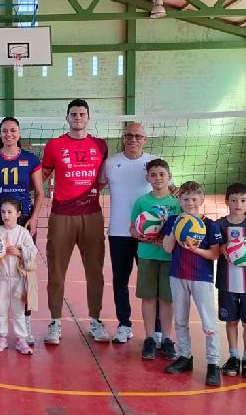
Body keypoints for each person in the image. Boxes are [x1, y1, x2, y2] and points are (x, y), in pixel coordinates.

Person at [100, 123, 176, 344]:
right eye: (129, 136)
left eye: (138, 136)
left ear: (145, 138)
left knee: (154, 282)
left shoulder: (153, 164)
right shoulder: (111, 163)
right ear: (123, 138)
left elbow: (173, 191)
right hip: (119, 232)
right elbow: (97, 186)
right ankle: (124, 324)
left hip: (153, 236)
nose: (133, 139)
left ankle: (158, 331)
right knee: (120, 280)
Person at [41, 99, 109, 345]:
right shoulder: (54, 145)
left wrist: (88, 194)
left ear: (88, 118)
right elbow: (43, 175)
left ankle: (96, 320)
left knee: (95, 271)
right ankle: (55, 322)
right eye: (73, 114)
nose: (78, 117)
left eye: (82, 114)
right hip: (61, 215)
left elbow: (102, 179)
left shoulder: (101, 145)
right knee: (56, 271)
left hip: (92, 214)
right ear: (67, 117)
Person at [0, 117, 43, 345]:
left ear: (19, 133)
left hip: (23, 222)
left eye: (13, 130)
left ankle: (25, 324)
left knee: (25, 273)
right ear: (0, 134)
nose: (9, 134)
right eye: (5, 131)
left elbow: (40, 193)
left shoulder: (31, 159)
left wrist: (33, 217)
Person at [162, 181, 223, 386]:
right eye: (186, 199)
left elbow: (214, 254)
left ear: (201, 200)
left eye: (194, 199)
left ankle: (213, 364)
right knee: (180, 319)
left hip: (201, 278)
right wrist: (176, 229)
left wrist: (196, 249)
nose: (190, 203)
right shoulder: (173, 220)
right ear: (179, 200)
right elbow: (168, 249)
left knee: (208, 323)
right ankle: (184, 357)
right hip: (177, 275)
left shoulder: (209, 224)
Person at [129, 159, 180, 360]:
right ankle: (150, 338)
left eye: (162, 174)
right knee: (149, 297)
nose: (158, 178)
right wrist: (139, 235)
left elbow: (184, 227)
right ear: (147, 178)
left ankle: (167, 338)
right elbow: (132, 228)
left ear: (169, 176)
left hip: (169, 257)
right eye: (153, 175)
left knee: (167, 299)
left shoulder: (177, 202)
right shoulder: (142, 202)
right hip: (147, 255)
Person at [0, 198, 39, 355]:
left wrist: (20, 251)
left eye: (9, 212)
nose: (6, 215)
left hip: (19, 278)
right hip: (1, 278)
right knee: (1, 308)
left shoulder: (23, 233)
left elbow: (33, 252)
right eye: (3, 212)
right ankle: (2, 336)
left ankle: (21, 339)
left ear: (18, 214)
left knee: (19, 310)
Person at [216, 183, 246, 378]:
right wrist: (222, 249)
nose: (238, 204)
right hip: (227, 282)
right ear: (227, 201)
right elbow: (214, 249)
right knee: (231, 321)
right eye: (234, 200)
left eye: (243, 200)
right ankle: (233, 356)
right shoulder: (220, 224)